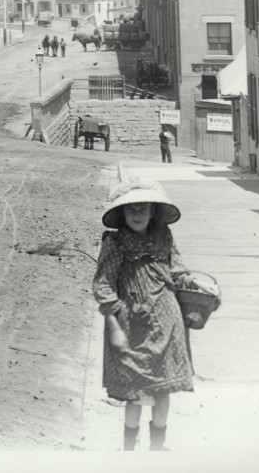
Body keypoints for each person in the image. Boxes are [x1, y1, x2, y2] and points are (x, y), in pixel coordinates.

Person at [93, 179, 194, 451]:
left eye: (143, 209)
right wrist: (113, 324)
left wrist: (195, 283)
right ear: (123, 214)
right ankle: (128, 451)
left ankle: (157, 449)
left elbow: (177, 270)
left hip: (167, 320)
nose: (137, 215)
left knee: (163, 389)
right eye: (131, 210)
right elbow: (103, 284)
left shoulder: (164, 236)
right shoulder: (115, 242)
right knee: (134, 393)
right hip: (131, 324)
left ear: (153, 211)